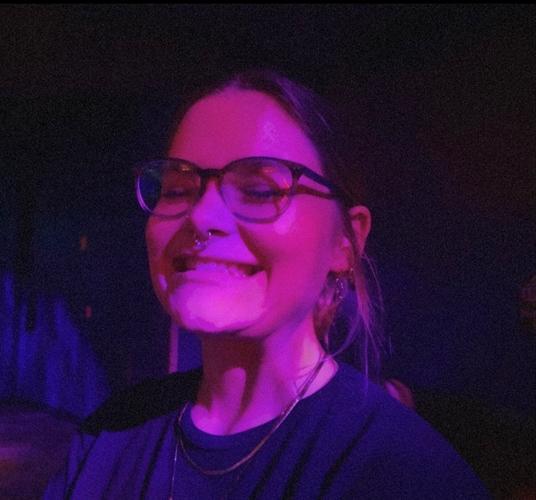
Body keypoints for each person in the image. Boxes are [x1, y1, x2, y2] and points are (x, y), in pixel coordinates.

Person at [44, 69, 491, 499]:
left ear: (345, 242)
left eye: (259, 191)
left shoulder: (405, 473)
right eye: (177, 189)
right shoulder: (111, 433)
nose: (201, 217)